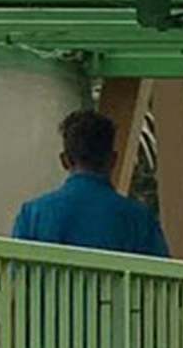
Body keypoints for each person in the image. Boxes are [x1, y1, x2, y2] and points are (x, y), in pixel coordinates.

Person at [12, 110, 168, 257]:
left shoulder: (33, 215)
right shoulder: (140, 220)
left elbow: (16, 276)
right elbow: (162, 279)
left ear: (65, 160)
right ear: (113, 160)